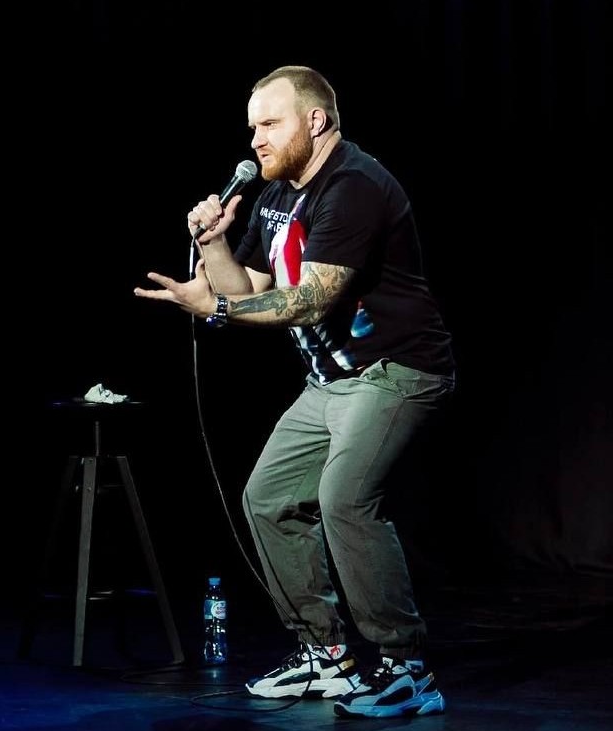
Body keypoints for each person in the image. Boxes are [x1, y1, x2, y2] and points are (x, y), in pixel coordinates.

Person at [134, 65, 454, 719]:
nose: (256, 139)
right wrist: (215, 245)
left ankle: (407, 668)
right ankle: (326, 655)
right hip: (329, 381)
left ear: (315, 120)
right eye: (252, 126)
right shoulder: (278, 195)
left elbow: (309, 301)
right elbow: (247, 289)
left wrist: (217, 310)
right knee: (270, 498)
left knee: (345, 499)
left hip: (395, 371)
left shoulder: (355, 186)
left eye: (270, 123)